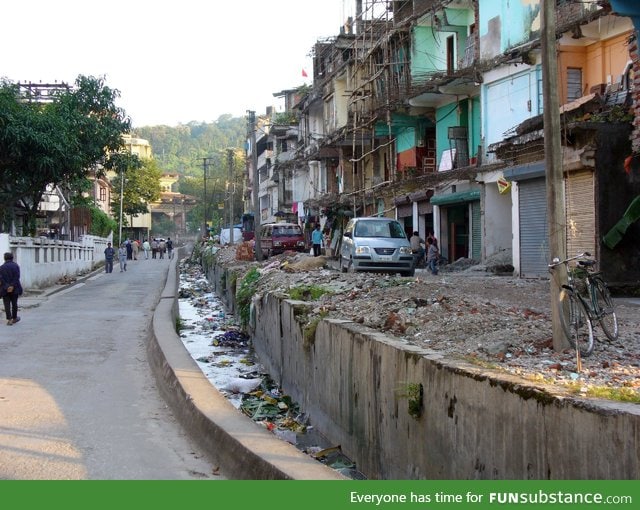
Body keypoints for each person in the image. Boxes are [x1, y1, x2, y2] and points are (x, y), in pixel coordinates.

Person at [0, 252, 23, 326]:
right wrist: (12, 286)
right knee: (14, 303)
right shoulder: (16, 266)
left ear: (4, 258)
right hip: (15, 288)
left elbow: (1, 279)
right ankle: (14, 318)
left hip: (5, 289)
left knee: (6, 304)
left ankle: (9, 319)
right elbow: (17, 277)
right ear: (12, 258)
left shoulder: (2, 267)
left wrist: (7, 286)